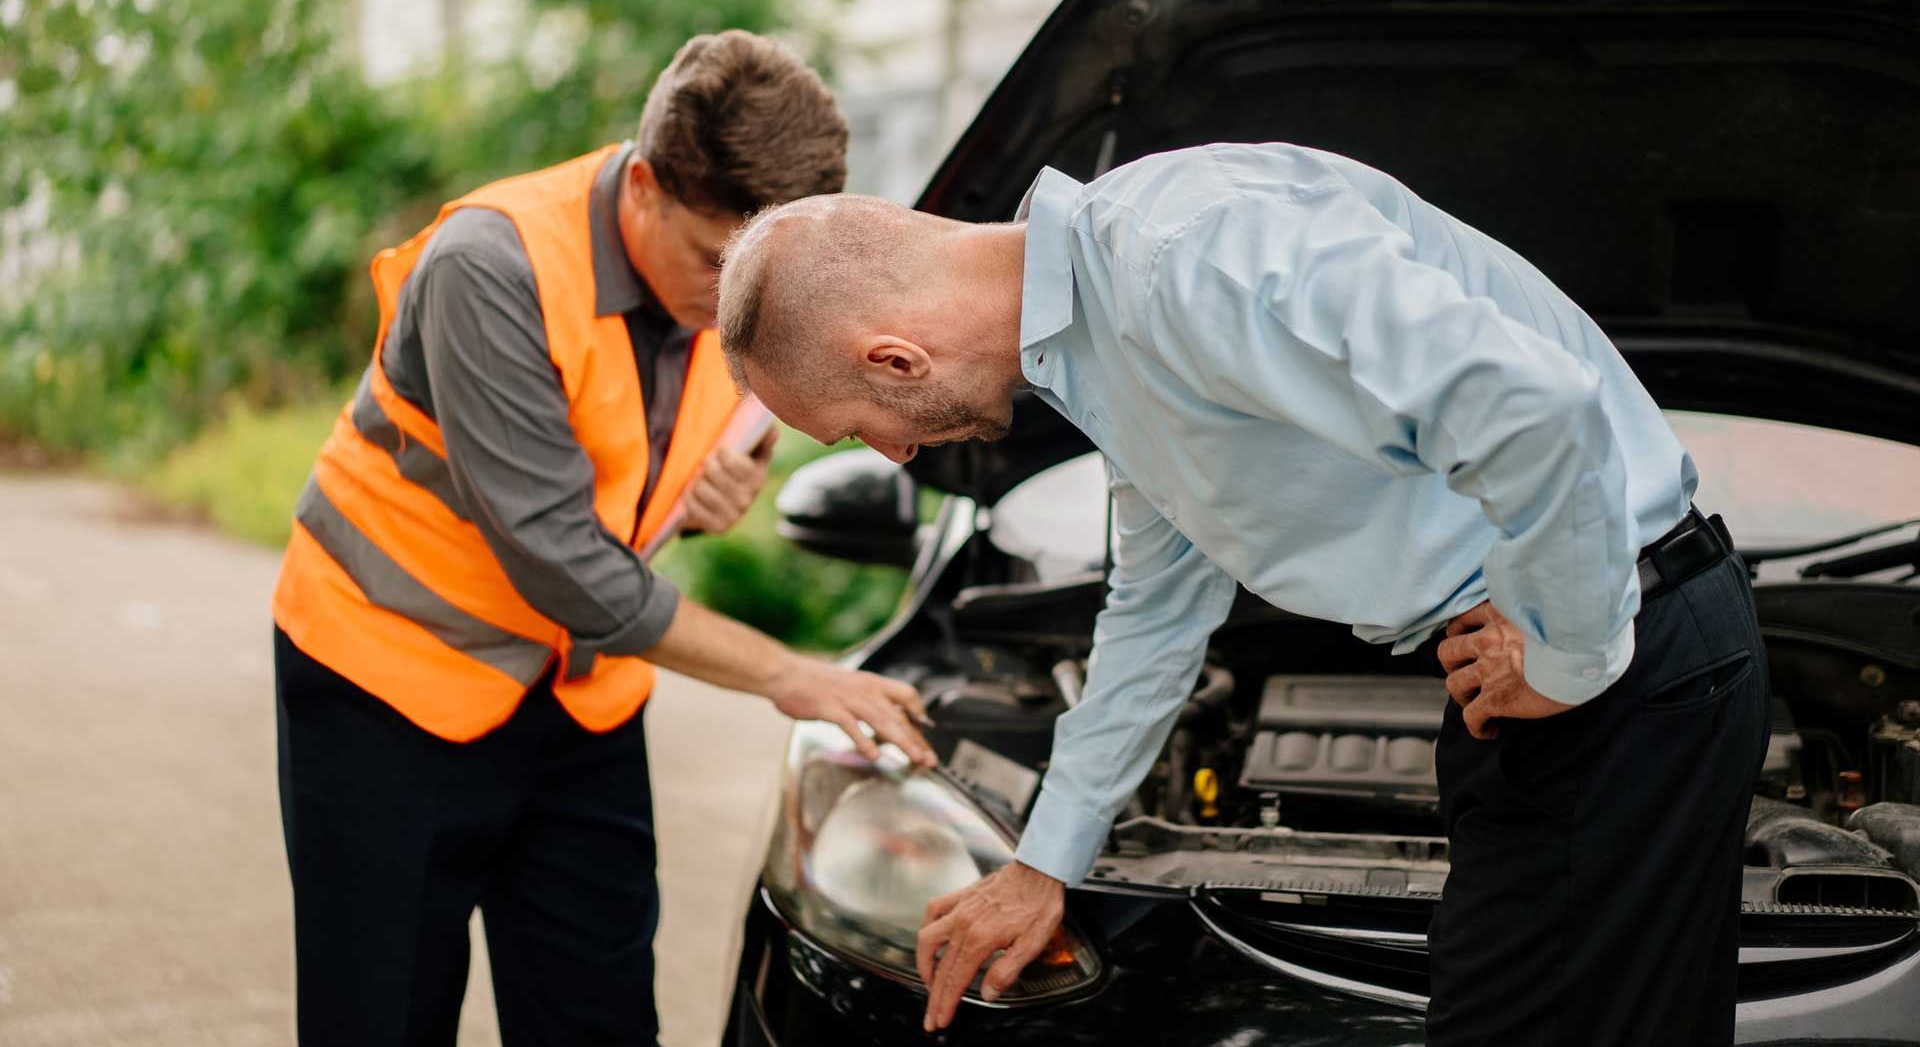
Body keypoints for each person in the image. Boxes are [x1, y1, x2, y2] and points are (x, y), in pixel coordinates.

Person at [715, 142, 1772, 1047]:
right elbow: (1157, 608)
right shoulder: (1101, 345)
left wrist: (1567, 649)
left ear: (893, 358)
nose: (895, 451)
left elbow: (1535, 406)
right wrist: (1044, 860)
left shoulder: (1189, 254)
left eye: (860, 427)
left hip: (1625, 668)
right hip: (1545, 687)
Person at [271, 30, 937, 1047]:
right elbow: (560, 561)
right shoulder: (487, 268)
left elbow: (654, 449)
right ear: (641, 185)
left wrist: (719, 481)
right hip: (387, 686)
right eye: (714, 260)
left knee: (602, 1019)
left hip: (579, 695)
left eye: (755, 269)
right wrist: (789, 674)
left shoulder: (752, 282)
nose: (732, 301)